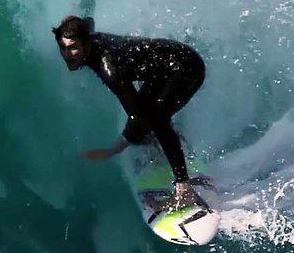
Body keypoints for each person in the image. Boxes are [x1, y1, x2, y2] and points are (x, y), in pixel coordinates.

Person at [52, 15, 206, 205]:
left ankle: (184, 187)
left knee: (156, 120)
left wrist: (114, 150)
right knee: (147, 116)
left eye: (73, 47)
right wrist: (72, 22)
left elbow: (138, 117)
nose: (68, 55)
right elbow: (89, 21)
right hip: (162, 70)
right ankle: (166, 144)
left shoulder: (110, 68)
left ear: (86, 42)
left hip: (186, 67)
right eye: (63, 48)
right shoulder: (88, 35)